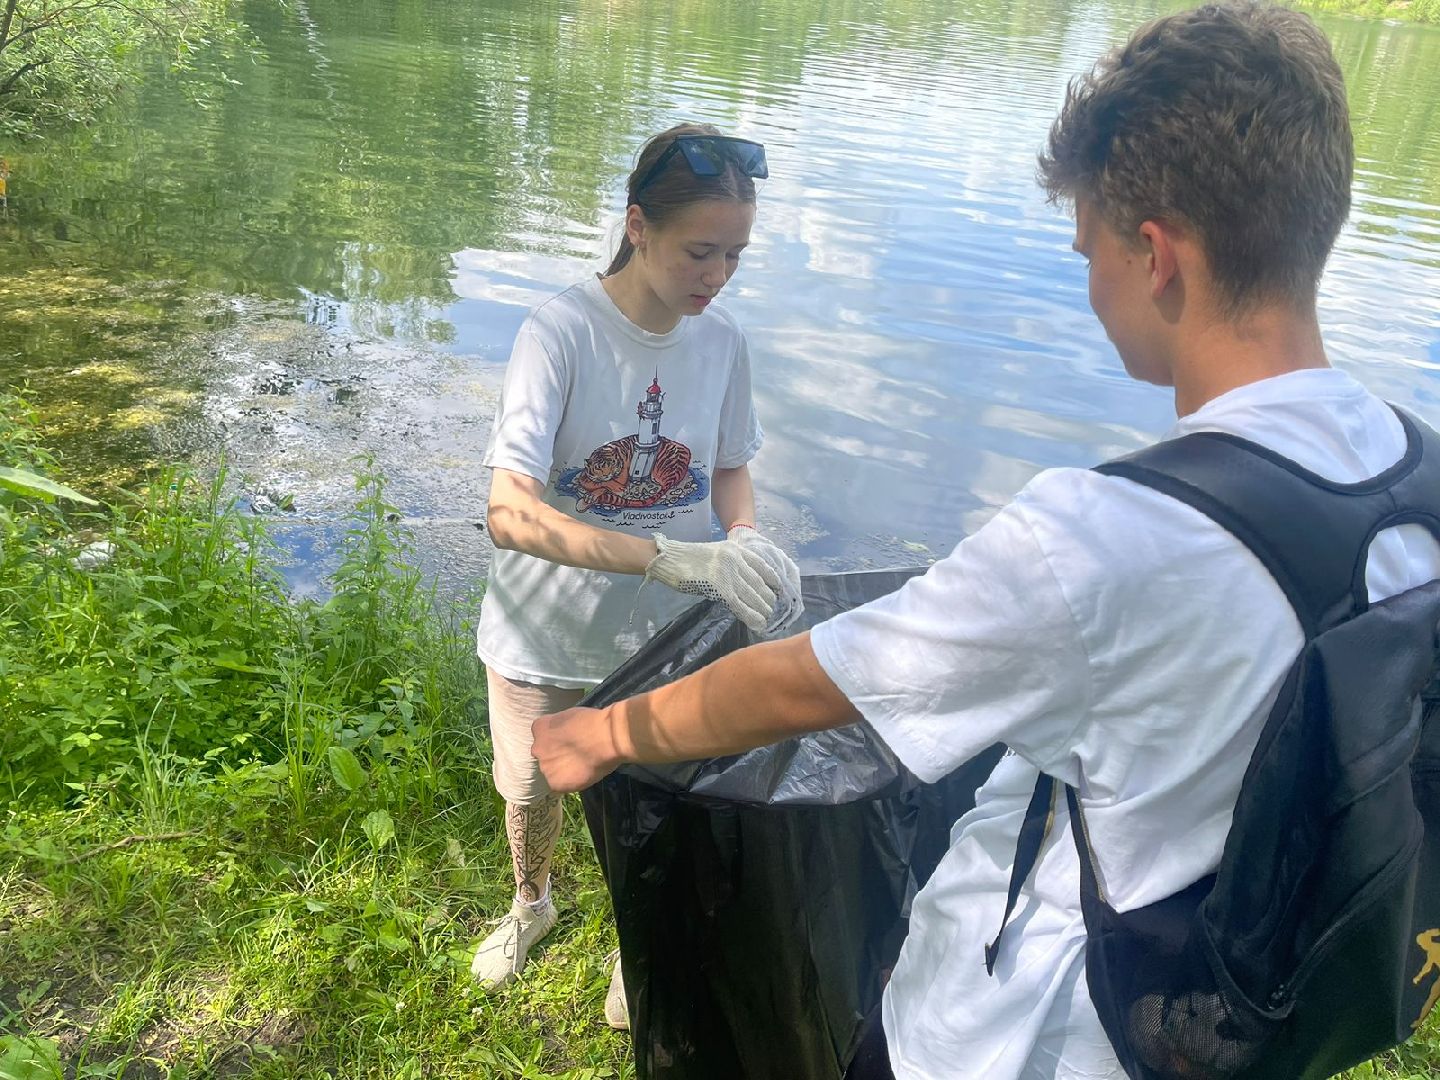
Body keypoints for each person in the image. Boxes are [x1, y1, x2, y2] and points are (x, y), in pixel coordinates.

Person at [530, 4, 1440, 1077]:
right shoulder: (1415, 478)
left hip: (1022, 1038)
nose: (1087, 276)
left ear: (1157, 258)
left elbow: (800, 688)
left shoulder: (1105, 538)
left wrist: (609, 734)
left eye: (1088, 245)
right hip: (1236, 1011)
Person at [469, 122, 804, 1028]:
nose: (718, 276)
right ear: (638, 227)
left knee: (658, 796)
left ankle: (637, 937)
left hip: (667, 639)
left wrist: (739, 540)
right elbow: (509, 511)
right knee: (532, 789)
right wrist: (661, 554)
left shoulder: (723, 343)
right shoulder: (561, 333)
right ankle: (531, 902)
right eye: (701, 250)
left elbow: (730, 463)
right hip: (545, 633)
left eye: (735, 254)